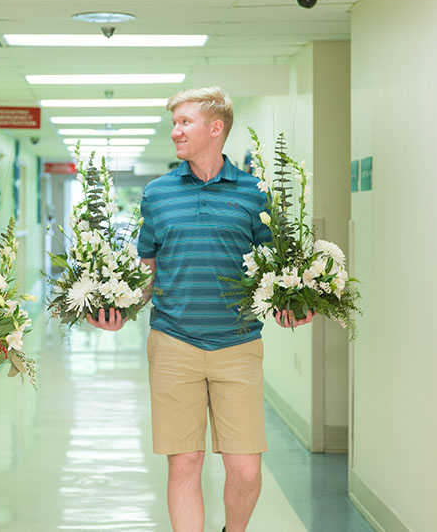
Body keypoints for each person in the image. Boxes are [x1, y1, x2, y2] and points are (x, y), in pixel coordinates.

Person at [88, 86, 313, 532]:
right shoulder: (157, 194)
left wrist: (294, 304)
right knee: (185, 462)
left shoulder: (254, 193)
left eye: (184, 122)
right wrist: (119, 308)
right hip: (173, 343)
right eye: (174, 123)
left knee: (246, 469)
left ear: (215, 129)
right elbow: (147, 271)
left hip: (239, 344)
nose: (175, 132)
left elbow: (274, 270)